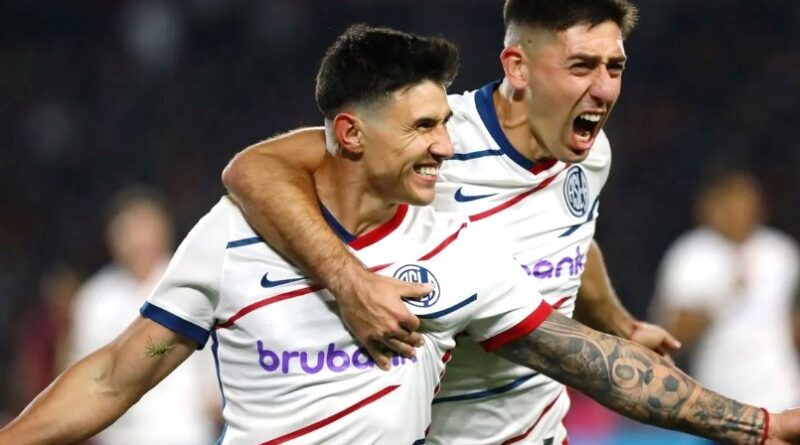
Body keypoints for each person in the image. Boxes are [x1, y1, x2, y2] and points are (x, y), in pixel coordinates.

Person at [2, 25, 796, 445]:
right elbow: (113, 375)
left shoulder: (456, 246)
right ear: (351, 133)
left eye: (445, 124)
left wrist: (757, 425)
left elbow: (594, 362)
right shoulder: (235, 234)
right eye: (423, 127)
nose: (446, 146)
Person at [221, 0, 679, 443]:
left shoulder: (591, 153)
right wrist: (349, 282)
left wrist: (621, 324)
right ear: (518, 67)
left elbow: (569, 239)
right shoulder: (434, 139)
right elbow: (254, 169)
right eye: (581, 66)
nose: (604, 89)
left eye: (614, 68)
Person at [65, 186, 220, 445]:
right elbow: (82, 371)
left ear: (164, 229)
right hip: (121, 437)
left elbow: (219, 359)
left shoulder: (194, 282)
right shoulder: (95, 298)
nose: (138, 241)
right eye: (129, 230)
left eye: (145, 227)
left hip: (187, 432)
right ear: (113, 237)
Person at [651, 170, 800, 411]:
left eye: (746, 201)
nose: (739, 211)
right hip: (720, 400)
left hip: (782, 395)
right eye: (731, 202)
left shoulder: (781, 252)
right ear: (710, 207)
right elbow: (669, 338)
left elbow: (790, 324)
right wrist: (722, 297)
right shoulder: (690, 255)